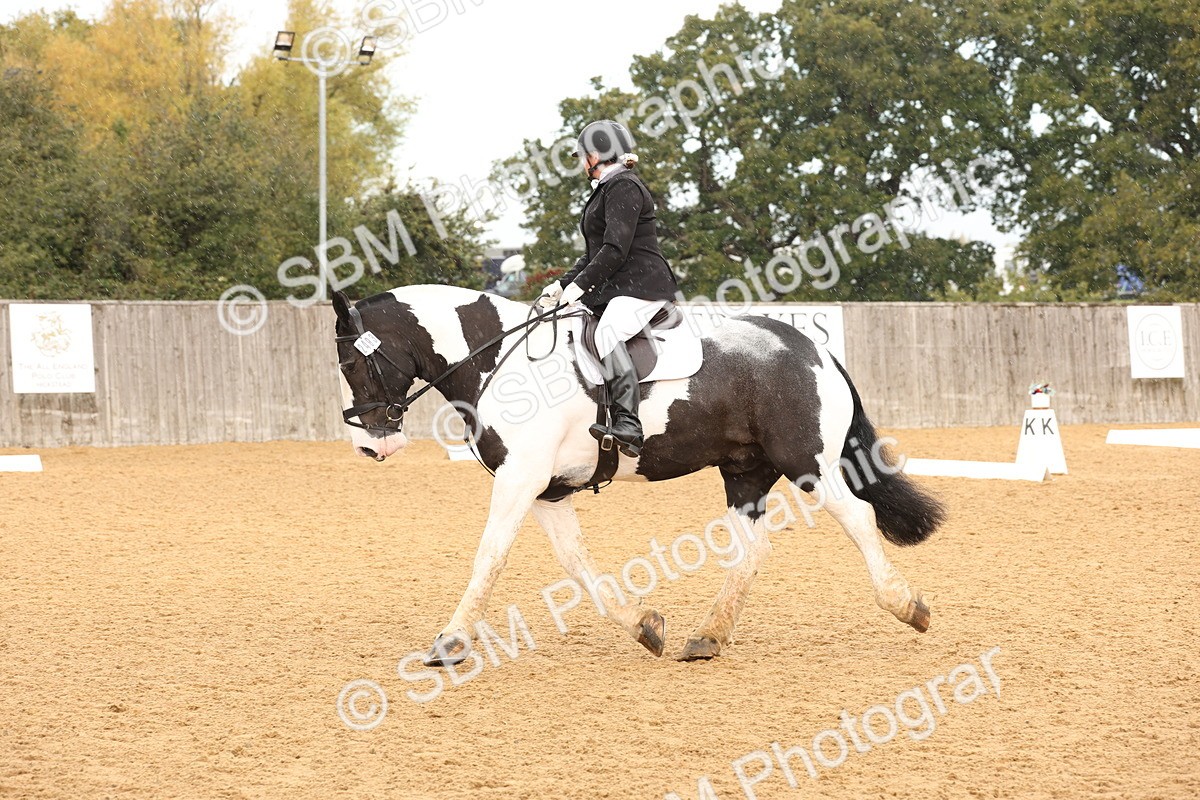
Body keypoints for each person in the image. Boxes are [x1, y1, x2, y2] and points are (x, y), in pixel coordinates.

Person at [537, 119, 679, 457]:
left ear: (597, 155)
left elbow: (615, 250)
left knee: (608, 332)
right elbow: (594, 253)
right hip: (620, 286)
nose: (581, 163)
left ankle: (628, 424)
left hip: (642, 284)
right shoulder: (606, 189)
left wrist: (580, 288)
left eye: (582, 156)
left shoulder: (624, 187)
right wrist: (562, 285)